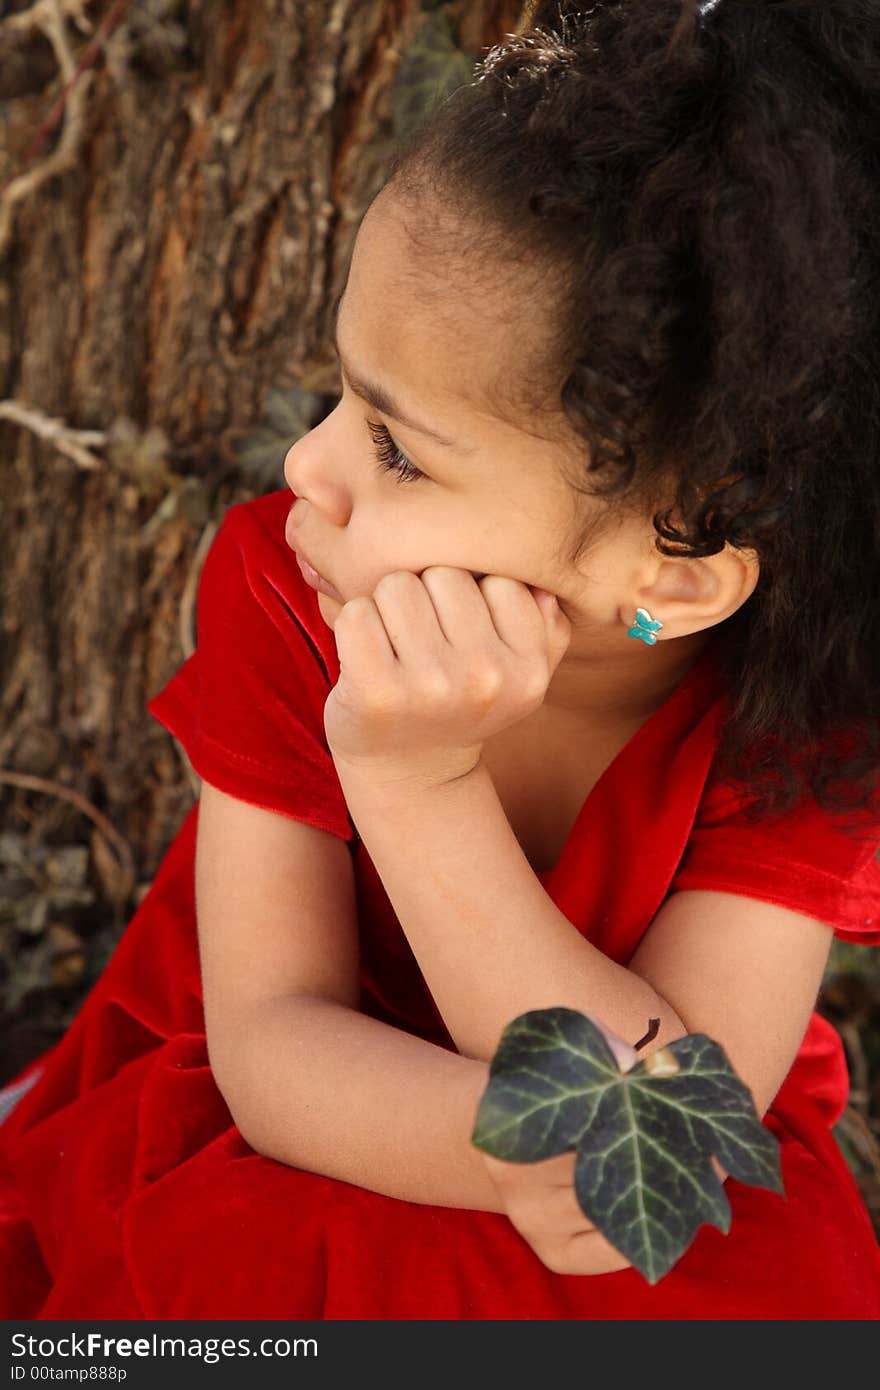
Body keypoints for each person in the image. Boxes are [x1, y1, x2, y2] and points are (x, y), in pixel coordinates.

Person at [2, 0, 879, 1319]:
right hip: (321, 1098)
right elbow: (273, 1043)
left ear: (674, 573)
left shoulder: (796, 719)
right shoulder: (294, 579)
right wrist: (411, 788)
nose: (313, 469)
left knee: (786, 1289)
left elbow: (671, 1123)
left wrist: (435, 803)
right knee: (226, 1267)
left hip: (636, 1156)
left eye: (400, 448)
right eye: (341, 396)